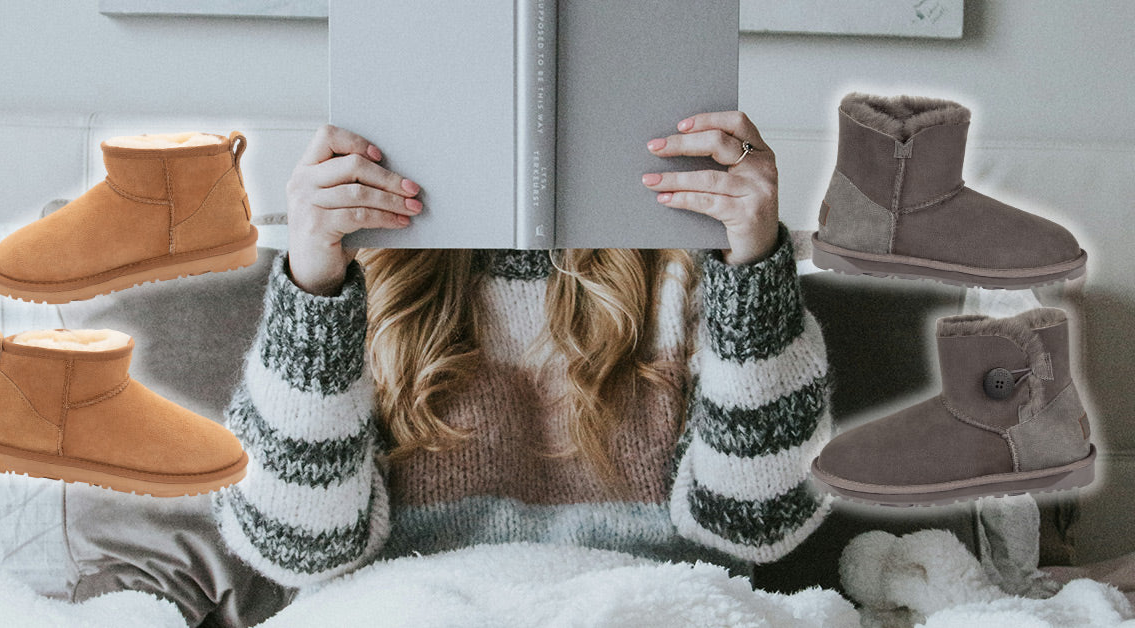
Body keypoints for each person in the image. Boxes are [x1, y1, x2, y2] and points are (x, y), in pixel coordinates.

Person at [211, 111, 833, 589]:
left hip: (644, 606)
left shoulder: (688, 269)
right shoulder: (362, 275)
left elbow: (761, 520)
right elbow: (291, 541)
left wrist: (754, 273)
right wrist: (313, 291)